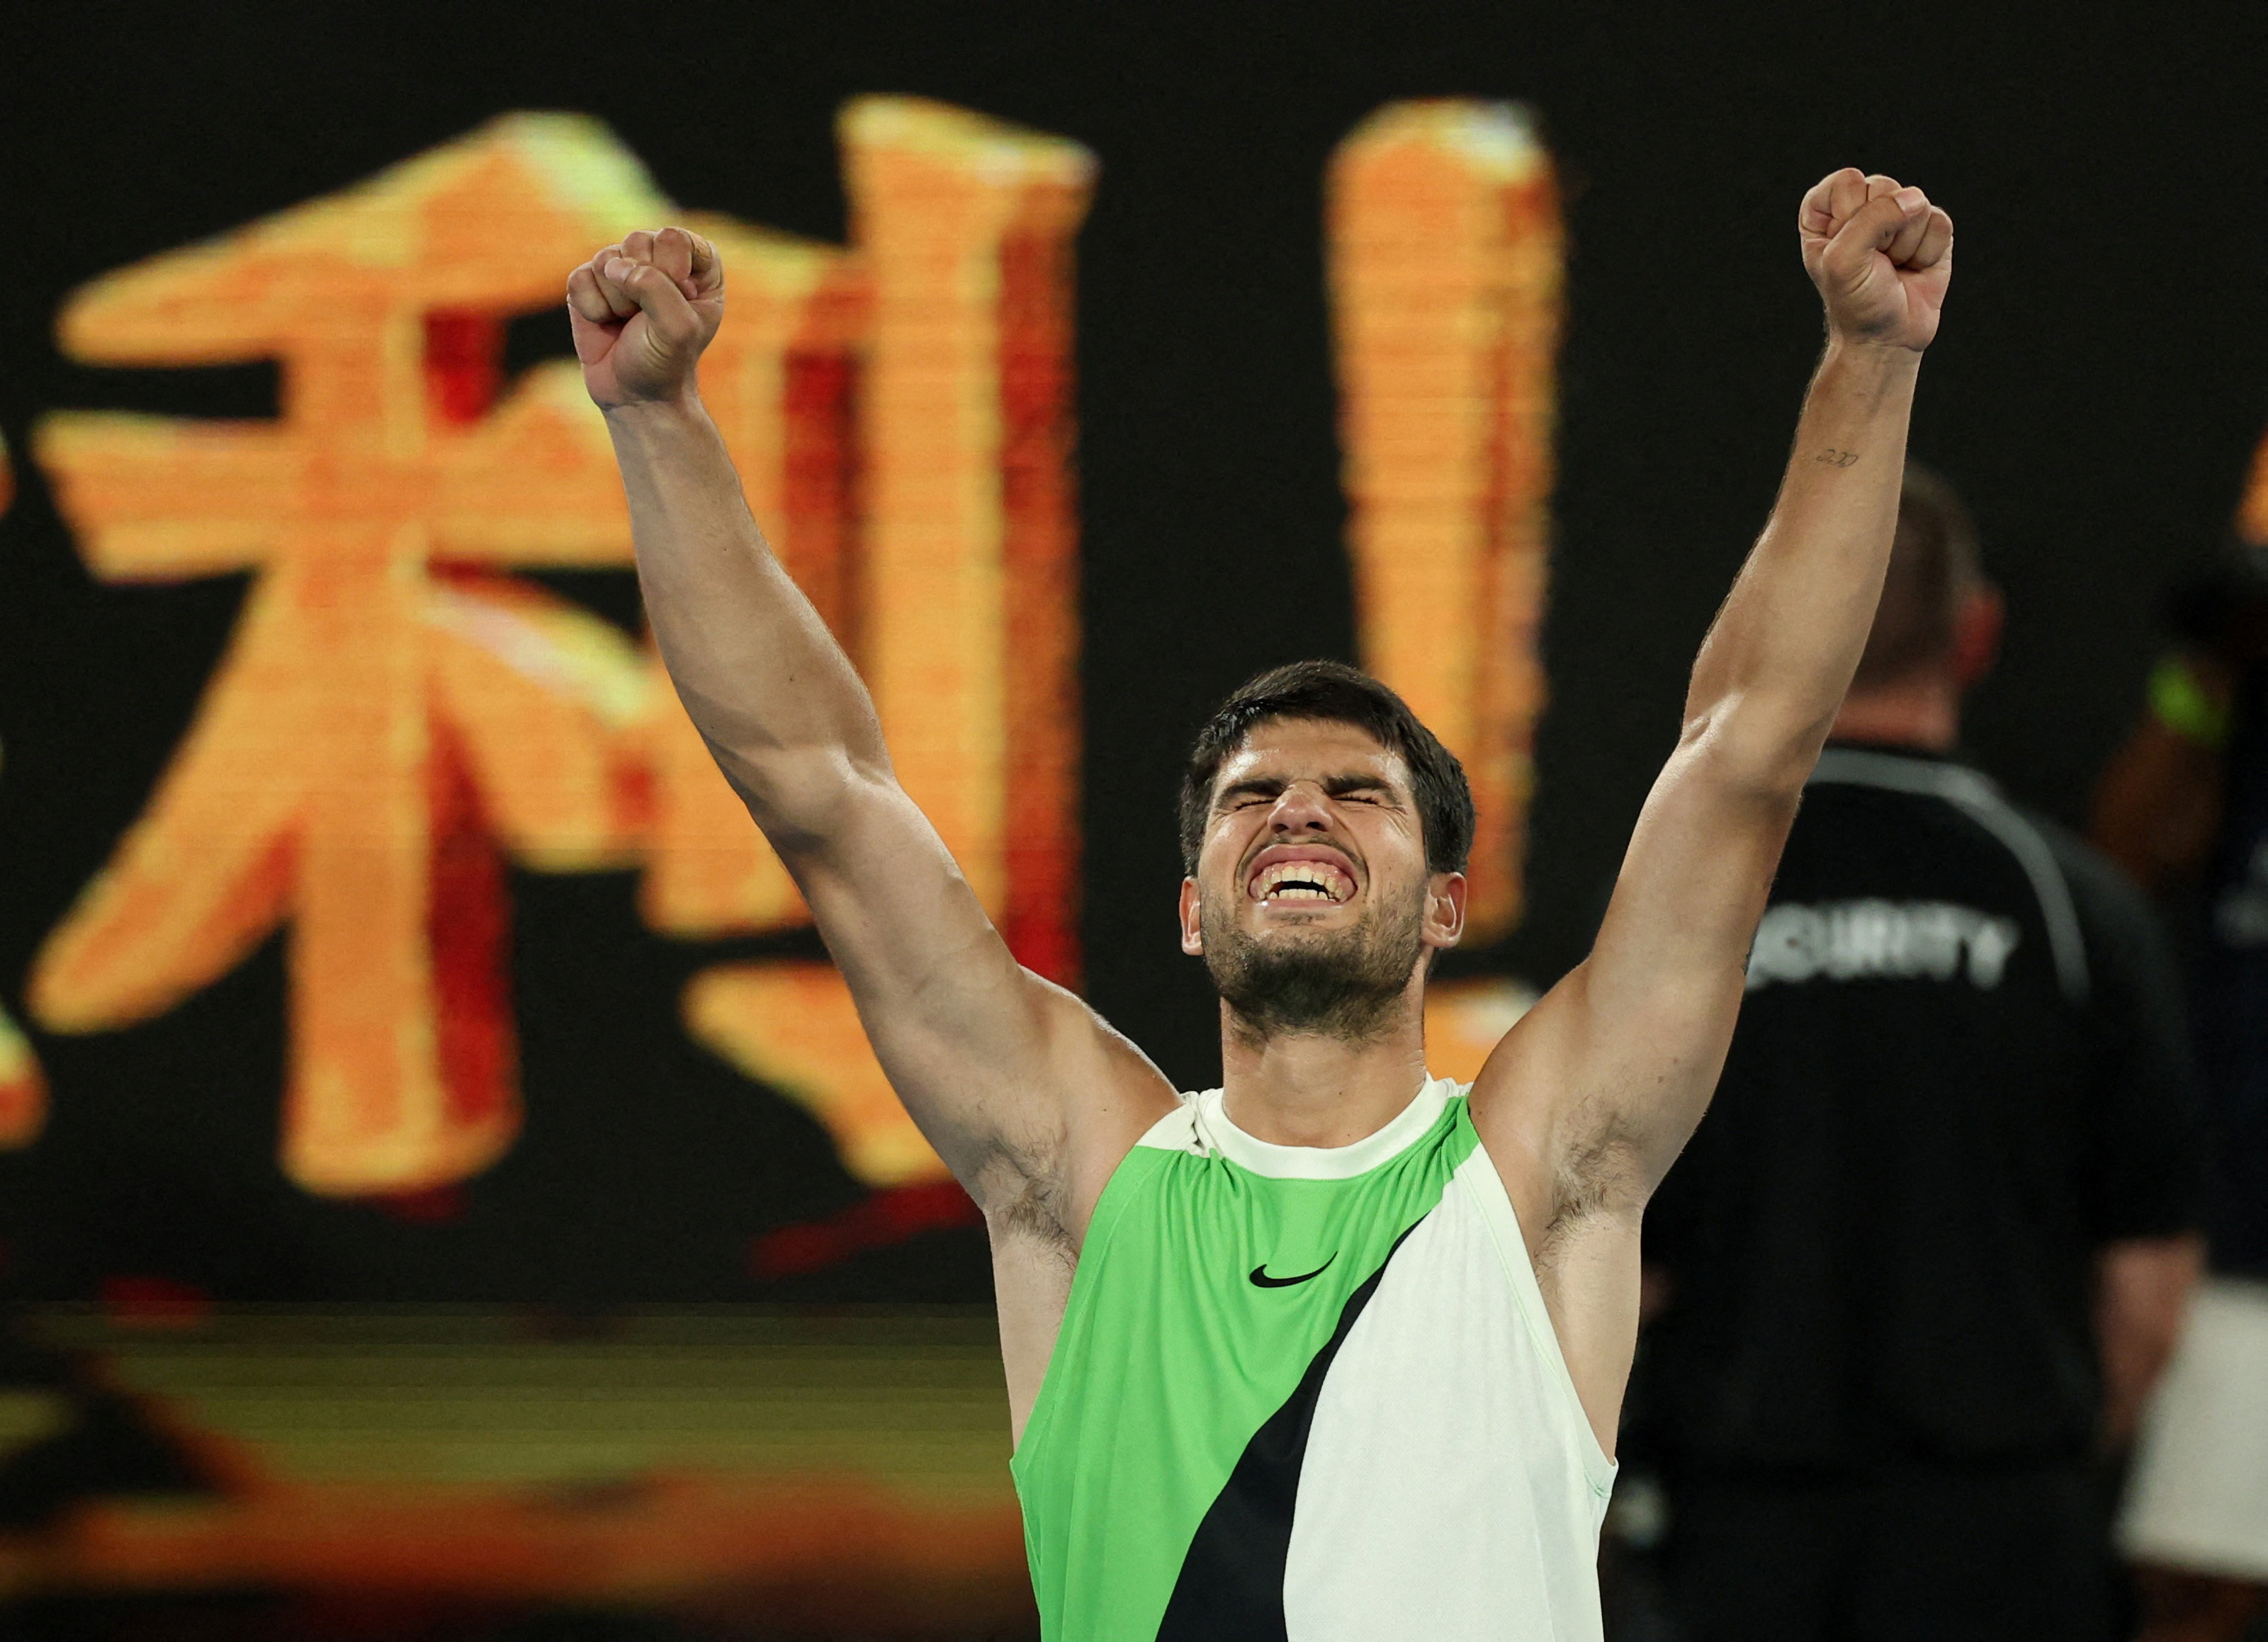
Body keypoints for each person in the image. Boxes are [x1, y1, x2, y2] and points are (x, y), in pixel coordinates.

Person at [567, 168, 1952, 1641]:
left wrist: (1870, 359)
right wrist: (656, 418)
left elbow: (1743, 751)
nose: (1297, 808)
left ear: (1445, 907)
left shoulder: (1544, 1177)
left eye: (1359, 794)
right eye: (1251, 798)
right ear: (1188, 909)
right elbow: (821, 787)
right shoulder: (1078, 1174)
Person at [1634, 465, 2207, 1641]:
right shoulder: (2072, 906)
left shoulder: (1681, 907)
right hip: (2005, 1537)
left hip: (1746, 1538)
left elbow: (1614, 1267)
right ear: (1977, 631)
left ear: (1771, 626)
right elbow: (2149, 1292)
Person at [2093, 548, 2268, 1642]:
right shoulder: (2243, 705)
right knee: (2195, 1590)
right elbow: (2125, 852)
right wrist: (2203, 676)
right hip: (2246, 1235)